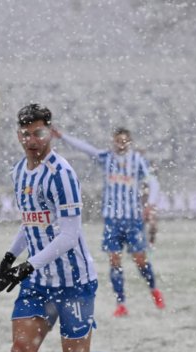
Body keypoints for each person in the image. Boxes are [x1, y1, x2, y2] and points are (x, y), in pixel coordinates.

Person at [0, 104, 160, 352]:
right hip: (38, 284)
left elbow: (69, 235)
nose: (31, 140)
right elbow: (30, 222)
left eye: (38, 133)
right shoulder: (20, 171)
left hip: (74, 284)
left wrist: (25, 267)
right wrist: (7, 259)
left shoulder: (62, 174)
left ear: (50, 132)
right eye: (25, 134)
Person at [51, 126, 165, 317]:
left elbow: (153, 182)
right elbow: (85, 148)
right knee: (114, 261)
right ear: (113, 141)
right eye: (117, 140)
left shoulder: (137, 160)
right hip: (112, 220)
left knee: (140, 260)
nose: (120, 144)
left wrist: (150, 204)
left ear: (129, 142)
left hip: (133, 219)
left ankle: (154, 290)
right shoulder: (106, 158)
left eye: (124, 141)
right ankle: (121, 303)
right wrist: (62, 136)